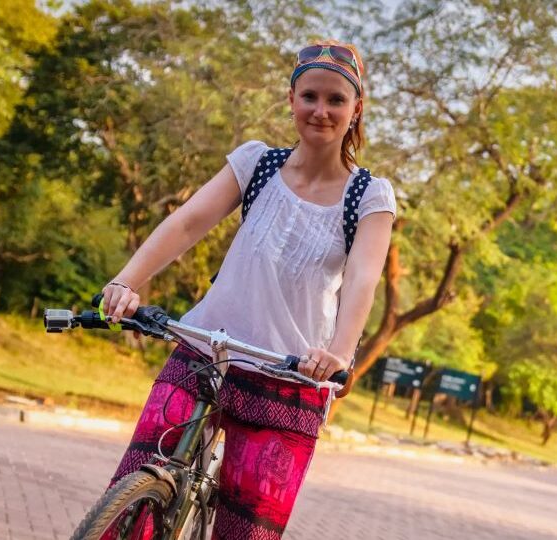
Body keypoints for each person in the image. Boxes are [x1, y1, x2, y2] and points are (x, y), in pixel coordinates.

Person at [98, 39, 395, 539]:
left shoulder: (370, 195)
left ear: (356, 109)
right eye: (309, 97)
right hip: (206, 350)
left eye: (336, 100)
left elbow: (364, 279)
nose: (320, 110)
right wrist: (126, 280)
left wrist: (340, 353)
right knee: (132, 494)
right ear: (291, 100)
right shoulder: (256, 163)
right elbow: (187, 223)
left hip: (291, 378)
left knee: (246, 531)